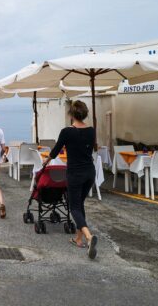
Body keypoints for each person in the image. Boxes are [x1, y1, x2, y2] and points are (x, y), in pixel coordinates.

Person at [42, 100, 98, 259]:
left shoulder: (66, 131)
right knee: (80, 204)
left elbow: (56, 150)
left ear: (71, 114)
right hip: (89, 173)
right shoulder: (91, 130)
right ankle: (78, 239)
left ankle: (88, 237)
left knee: (73, 206)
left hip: (75, 174)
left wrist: (46, 161)